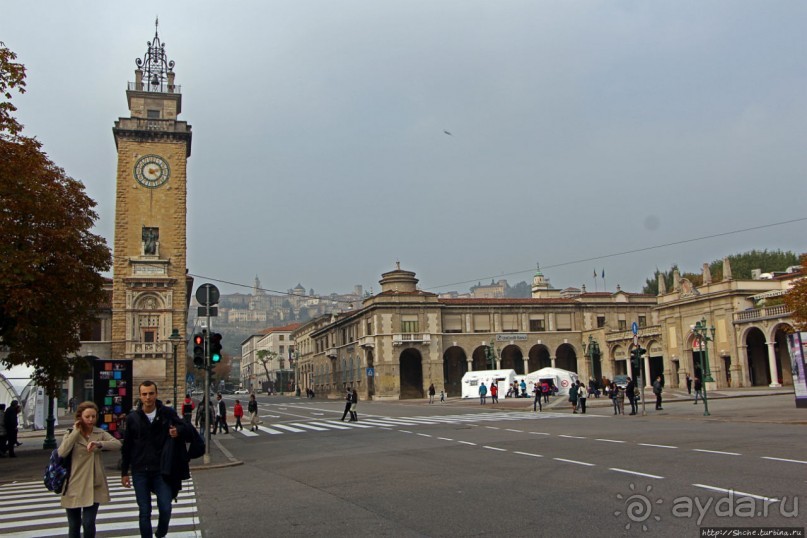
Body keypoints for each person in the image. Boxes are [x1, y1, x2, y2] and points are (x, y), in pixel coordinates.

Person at [121, 380, 187, 538]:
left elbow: (184, 427)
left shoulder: (167, 413)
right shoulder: (133, 418)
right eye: (144, 394)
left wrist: (177, 430)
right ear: (140, 396)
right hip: (140, 470)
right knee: (144, 511)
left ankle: (161, 532)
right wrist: (124, 472)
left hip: (161, 469)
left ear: (156, 394)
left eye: (151, 393)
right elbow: (127, 446)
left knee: (165, 507)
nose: (148, 397)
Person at [59, 401, 122, 538]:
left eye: (93, 416)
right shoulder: (71, 433)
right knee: (74, 525)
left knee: (88, 523)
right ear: (80, 416)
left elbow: (116, 444)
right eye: (87, 416)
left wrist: (99, 444)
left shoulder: (99, 432)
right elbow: (62, 452)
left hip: (93, 483)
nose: (91, 420)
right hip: (73, 483)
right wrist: (75, 432)